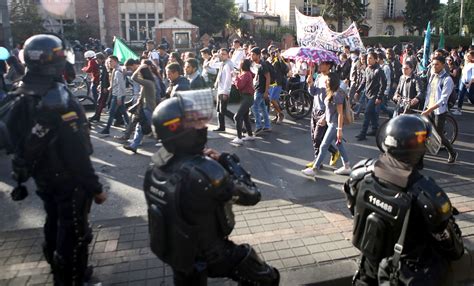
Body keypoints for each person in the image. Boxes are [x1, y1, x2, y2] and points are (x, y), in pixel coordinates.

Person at [0, 34, 107, 285]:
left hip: (42, 175)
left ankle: (65, 266)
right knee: (75, 233)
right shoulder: (58, 98)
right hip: (69, 178)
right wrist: (95, 186)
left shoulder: (21, 91)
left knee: (53, 220)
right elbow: (77, 151)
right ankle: (71, 278)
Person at [144, 89, 280, 286]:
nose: (203, 126)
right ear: (183, 131)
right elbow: (252, 195)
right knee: (266, 277)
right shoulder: (204, 171)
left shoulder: (156, 166)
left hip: (176, 251)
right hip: (211, 253)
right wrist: (227, 160)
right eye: (196, 123)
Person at [344, 114, 464, 286]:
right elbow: (454, 248)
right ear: (415, 149)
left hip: (368, 270)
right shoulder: (426, 197)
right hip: (402, 277)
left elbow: (354, 209)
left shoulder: (360, 174)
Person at [302, 72, 352, 177]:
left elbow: (340, 114)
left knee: (324, 146)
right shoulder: (330, 92)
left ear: (333, 81)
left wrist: (339, 130)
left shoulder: (337, 94)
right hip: (330, 123)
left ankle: (314, 168)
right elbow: (330, 110)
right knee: (339, 145)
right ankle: (347, 166)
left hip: (334, 125)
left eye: (328, 80)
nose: (326, 81)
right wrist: (324, 118)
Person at [421, 56, 458, 164]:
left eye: (437, 64)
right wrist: (426, 108)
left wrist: (430, 109)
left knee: (439, 135)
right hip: (429, 109)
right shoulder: (432, 75)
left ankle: (452, 152)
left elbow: (443, 99)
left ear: (443, 65)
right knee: (424, 132)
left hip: (439, 111)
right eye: (433, 64)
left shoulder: (447, 79)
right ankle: (421, 157)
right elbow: (429, 93)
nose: (434, 66)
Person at [123, 64, 157, 153]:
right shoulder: (147, 83)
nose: (139, 75)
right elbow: (141, 97)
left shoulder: (148, 82)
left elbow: (133, 78)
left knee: (152, 127)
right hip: (145, 108)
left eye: (140, 74)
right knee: (140, 127)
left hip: (148, 108)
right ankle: (134, 145)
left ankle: (166, 143)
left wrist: (139, 68)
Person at [355, 52, 387, 141]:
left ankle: (363, 133)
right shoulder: (367, 69)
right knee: (372, 113)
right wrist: (358, 91)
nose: (368, 60)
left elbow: (383, 85)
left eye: (370, 58)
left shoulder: (379, 70)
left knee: (367, 113)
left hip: (375, 96)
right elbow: (364, 81)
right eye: (368, 58)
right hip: (367, 94)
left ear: (376, 59)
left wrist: (379, 97)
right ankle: (375, 129)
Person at [99, 55, 129, 136]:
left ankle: (107, 129)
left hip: (117, 95)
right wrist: (110, 87)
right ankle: (129, 127)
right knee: (123, 112)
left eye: (111, 61)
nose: (109, 63)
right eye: (108, 62)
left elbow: (121, 86)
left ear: (116, 61)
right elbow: (116, 84)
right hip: (117, 94)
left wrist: (119, 97)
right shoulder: (116, 70)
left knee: (112, 112)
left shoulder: (117, 72)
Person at [232, 59, 255, 145]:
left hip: (247, 98)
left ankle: (239, 137)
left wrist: (236, 77)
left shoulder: (246, 74)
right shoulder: (246, 73)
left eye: (240, 63)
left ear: (242, 65)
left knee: (237, 117)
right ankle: (250, 135)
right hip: (246, 97)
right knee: (245, 117)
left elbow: (240, 86)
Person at [250, 47, 271, 134]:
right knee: (263, 108)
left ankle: (259, 126)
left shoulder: (263, 65)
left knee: (254, 107)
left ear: (258, 55)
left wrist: (266, 91)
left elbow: (268, 77)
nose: (251, 56)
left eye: (253, 54)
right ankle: (267, 126)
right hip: (258, 88)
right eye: (251, 54)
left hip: (261, 90)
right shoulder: (256, 64)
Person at [213, 48, 235, 132]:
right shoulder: (222, 63)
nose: (222, 55)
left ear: (228, 55)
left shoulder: (228, 64)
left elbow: (228, 80)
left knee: (223, 110)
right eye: (220, 54)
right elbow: (212, 65)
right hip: (220, 89)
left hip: (224, 90)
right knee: (219, 109)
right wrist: (215, 57)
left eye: (224, 54)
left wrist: (225, 92)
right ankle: (221, 126)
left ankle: (238, 121)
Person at [88, 52, 110, 122]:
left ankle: (97, 116)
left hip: (105, 86)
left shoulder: (105, 65)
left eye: (97, 60)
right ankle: (97, 116)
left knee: (100, 102)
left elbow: (105, 77)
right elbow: (101, 77)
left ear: (100, 59)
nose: (96, 61)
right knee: (100, 102)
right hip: (103, 85)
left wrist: (104, 87)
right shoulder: (101, 66)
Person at [455, 50, 474, 115]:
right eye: (467, 55)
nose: (466, 56)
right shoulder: (466, 63)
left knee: (471, 97)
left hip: (470, 83)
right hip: (463, 82)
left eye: (469, 56)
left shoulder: (472, 65)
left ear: (472, 57)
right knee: (461, 95)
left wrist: (469, 84)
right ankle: (458, 110)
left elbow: (473, 76)